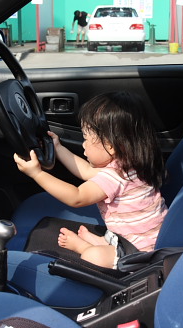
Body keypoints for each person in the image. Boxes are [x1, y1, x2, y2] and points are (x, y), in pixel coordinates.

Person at [14, 91, 167, 269]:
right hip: (144, 237)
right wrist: (58, 148)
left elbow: (77, 197)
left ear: (110, 146)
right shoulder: (131, 164)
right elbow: (87, 170)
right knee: (106, 243)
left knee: (92, 256)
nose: (84, 144)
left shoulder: (115, 176)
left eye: (86, 139)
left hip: (140, 254)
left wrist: (37, 174)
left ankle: (85, 246)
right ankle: (106, 242)